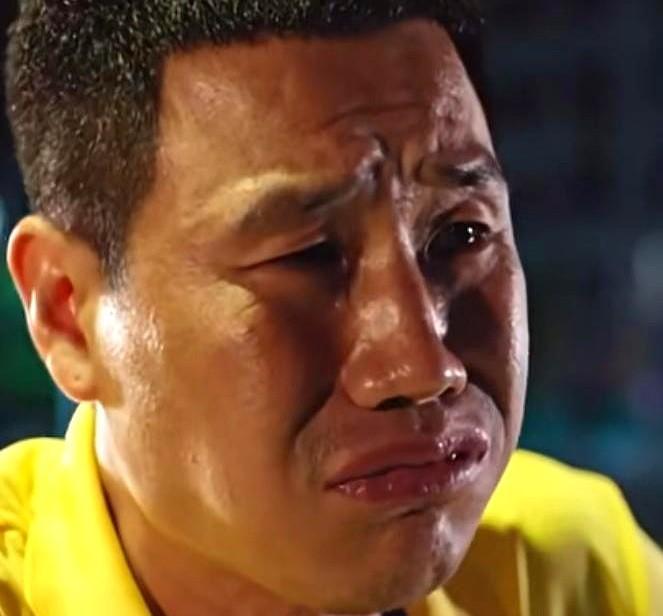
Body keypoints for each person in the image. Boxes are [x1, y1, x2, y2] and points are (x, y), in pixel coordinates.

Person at [1, 1, 661, 615]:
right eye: (308, 257)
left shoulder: (566, 569)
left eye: (462, 234)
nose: (423, 367)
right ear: (67, 313)